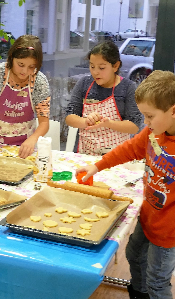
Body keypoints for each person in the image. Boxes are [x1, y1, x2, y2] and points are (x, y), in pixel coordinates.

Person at [75, 70, 175, 299]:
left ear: (173, 110)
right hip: (149, 214)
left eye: (149, 116)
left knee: (157, 281)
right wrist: (97, 166)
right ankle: (139, 294)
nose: (146, 123)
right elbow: (128, 149)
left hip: (169, 228)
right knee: (134, 254)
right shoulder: (153, 132)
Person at [0, 34, 51, 159]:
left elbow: (44, 122)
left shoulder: (40, 82)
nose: (25, 71)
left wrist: (33, 139)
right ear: (11, 58)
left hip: (23, 148)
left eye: (31, 67)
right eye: (20, 64)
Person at [65, 41, 143, 155]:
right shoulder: (84, 84)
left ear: (115, 66)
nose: (95, 72)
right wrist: (85, 121)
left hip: (116, 156)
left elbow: (134, 126)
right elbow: (69, 117)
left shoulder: (128, 87)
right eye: (92, 66)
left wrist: (108, 123)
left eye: (101, 68)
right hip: (85, 153)